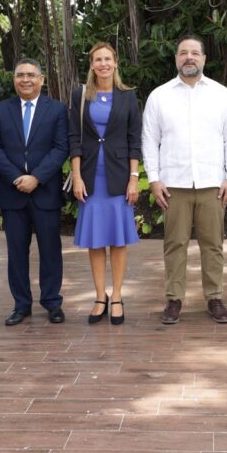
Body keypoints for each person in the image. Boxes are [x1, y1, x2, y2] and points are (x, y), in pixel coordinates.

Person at [142, 35, 227, 324]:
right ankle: (174, 299)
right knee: (175, 244)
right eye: (183, 52)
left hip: (212, 183)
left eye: (195, 53)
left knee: (213, 244)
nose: (189, 57)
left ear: (204, 59)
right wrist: (154, 179)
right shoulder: (159, 96)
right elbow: (150, 141)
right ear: (176, 58)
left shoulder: (222, 95)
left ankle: (215, 297)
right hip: (174, 185)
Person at [0, 58, 70, 326]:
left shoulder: (56, 110)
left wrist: (37, 177)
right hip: (13, 194)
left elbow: (60, 148)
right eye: (20, 75)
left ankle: (52, 302)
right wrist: (16, 177)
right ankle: (21, 305)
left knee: (50, 250)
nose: (25, 80)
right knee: (17, 252)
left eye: (31, 75)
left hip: (45, 192)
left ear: (41, 79)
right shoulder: (0, 111)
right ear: (14, 79)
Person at [69, 42, 142, 325]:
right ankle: (100, 296)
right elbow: (74, 137)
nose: (103, 64)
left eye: (107, 59)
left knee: (118, 240)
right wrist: (76, 176)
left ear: (115, 62)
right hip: (89, 177)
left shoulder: (127, 97)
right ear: (91, 65)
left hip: (119, 176)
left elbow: (134, 139)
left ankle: (118, 296)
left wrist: (134, 178)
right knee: (96, 241)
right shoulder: (80, 96)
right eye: (97, 59)